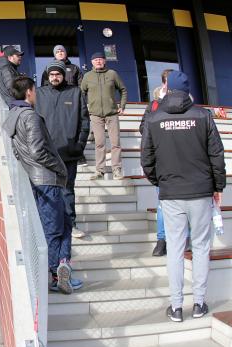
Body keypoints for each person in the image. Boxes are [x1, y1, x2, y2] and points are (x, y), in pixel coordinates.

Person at [141, 71, 225, 322]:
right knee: (200, 247)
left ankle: (176, 307)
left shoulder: (155, 117)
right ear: (188, 90)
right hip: (200, 192)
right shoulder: (203, 115)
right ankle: (199, 304)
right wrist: (217, 186)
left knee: (175, 250)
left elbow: (146, 158)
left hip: (171, 193)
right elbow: (216, 155)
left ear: (167, 89)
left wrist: (161, 182)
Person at [3, 76, 82, 294]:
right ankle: (56, 274)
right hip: (47, 180)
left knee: (65, 225)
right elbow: (38, 151)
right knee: (54, 229)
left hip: (38, 180)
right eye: (34, 90)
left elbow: (19, 153)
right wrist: (59, 167)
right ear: (29, 92)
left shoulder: (13, 116)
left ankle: (63, 267)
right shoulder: (31, 117)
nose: (36, 94)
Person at [36, 60, 90, 239]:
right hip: (46, 154)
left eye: (57, 74)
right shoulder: (39, 94)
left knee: (67, 191)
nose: (54, 77)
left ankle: (71, 225)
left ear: (63, 75)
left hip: (69, 153)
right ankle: (49, 226)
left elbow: (85, 121)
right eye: (51, 75)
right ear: (47, 76)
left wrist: (79, 145)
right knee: (47, 191)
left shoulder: (75, 92)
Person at [139, 69, 174, 256]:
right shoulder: (154, 104)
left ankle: (186, 239)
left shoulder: (188, 103)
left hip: (184, 161)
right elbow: (143, 127)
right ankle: (162, 240)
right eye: (168, 82)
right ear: (163, 84)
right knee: (163, 204)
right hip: (163, 162)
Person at [81, 52, 128, 180]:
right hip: (95, 115)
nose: (98, 61)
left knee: (115, 143)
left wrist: (122, 106)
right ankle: (99, 171)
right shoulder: (87, 76)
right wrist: (84, 109)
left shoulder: (112, 74)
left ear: (105, 61)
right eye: (95, 60)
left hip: (112, 113)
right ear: (92, 62)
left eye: (100, 59)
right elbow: (81, 94)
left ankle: (116, 170)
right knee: (100, 143)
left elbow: (123, 89)